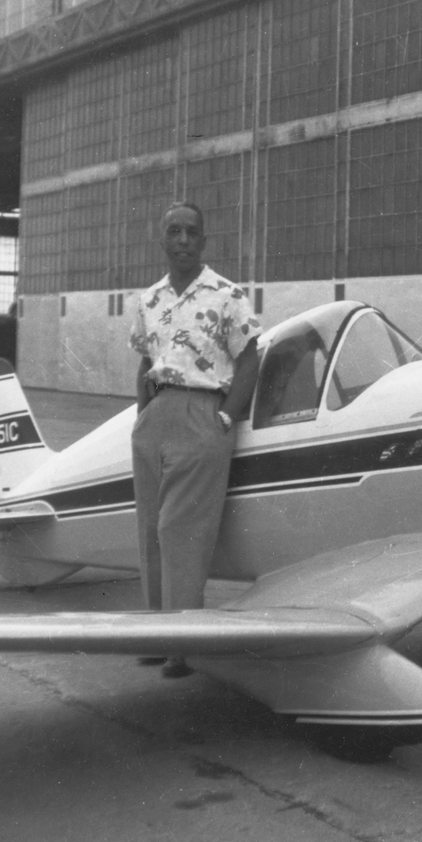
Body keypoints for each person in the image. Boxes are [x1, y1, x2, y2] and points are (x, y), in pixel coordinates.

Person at [129, 201, 261, 678]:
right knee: (149, 530)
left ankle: (182, 645)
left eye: (191, 232)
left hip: (204, 412)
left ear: (203, 241)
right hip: (156, 414)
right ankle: (155, 633)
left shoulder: (226, 294)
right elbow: (145, 362)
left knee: (178, 531)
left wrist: (226, 417)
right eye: (174, 232)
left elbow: (250, 359)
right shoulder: (149, 300)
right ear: (161, 241)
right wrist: (142, 418)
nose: (183, 239)